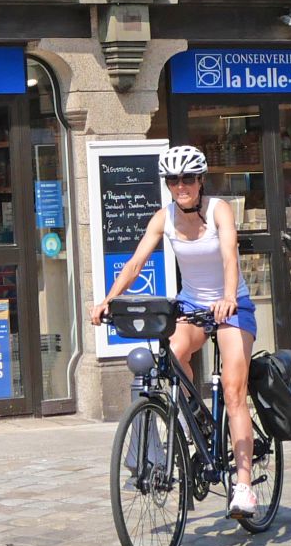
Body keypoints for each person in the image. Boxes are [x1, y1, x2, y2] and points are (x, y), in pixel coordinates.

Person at [89, 145, 260, 518]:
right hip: (193, 306)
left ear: (200, 181)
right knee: (171, 353)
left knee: (233, 391)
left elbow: (231, 256)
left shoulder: (219, 210)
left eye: (187, 179)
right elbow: (135, 263)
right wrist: (107, 300)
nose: (180, 186)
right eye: (173, 180)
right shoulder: (163, 217)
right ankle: (194, 417)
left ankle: (244, 485)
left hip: (232, 307)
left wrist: (229, 296)